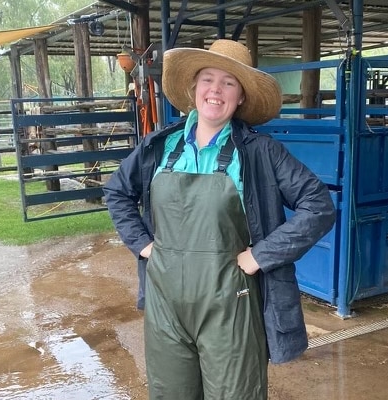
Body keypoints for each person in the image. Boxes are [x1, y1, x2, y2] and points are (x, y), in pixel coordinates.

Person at [103, 39, 336, 400]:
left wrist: (261, 255)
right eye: (208, 79)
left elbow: (318, 206)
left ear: (241, 97)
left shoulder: (260, 152)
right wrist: (143, 244)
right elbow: (117, 192)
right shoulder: (159, 147)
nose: (216, 90)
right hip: (166, 305)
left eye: (229, 82)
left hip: (231, 303)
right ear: (194, 88)